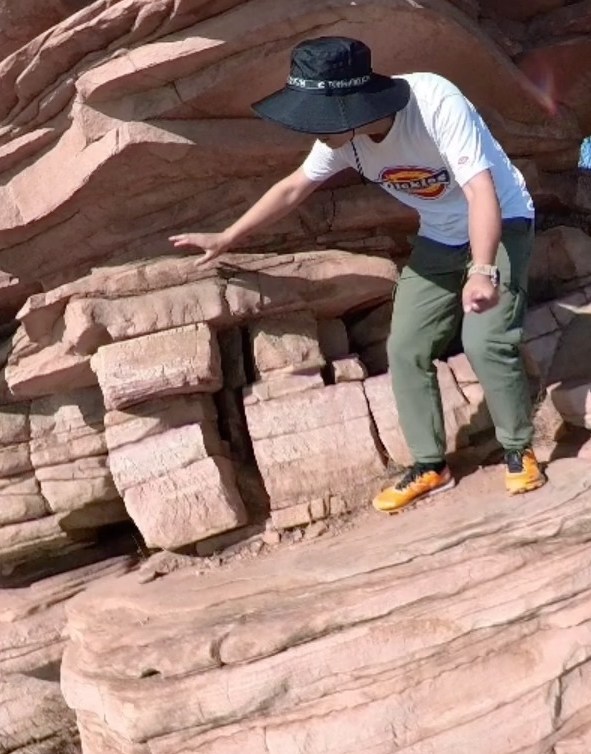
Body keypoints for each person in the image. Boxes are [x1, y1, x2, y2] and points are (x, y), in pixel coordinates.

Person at [171, 37, 546, 513]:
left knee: (484, 340)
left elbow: (482, 192)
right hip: (438, 235)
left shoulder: (434, 102)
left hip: (501, 221)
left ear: (350, 107)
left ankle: (518, 448)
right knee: (406, 347)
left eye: (316, 117)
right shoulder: (340, 140)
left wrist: (483, 269)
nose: (312, 129)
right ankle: (431, 465)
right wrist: (228, 236)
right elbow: (292, 189)